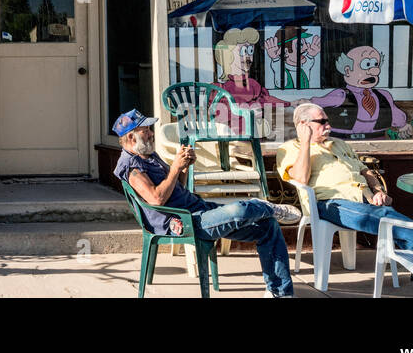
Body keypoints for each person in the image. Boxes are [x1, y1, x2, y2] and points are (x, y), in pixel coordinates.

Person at [113, 108, 302, 297]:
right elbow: (157, 198)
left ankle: (279, 292)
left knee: (267, 226)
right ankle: (265, 206)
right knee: (240, 210)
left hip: (198, 209)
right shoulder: (131, 167)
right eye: (146, 131)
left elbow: (176, 189)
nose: (151, 134)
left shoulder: (146, 155)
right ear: (131, 137)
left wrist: (184, 168)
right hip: (185, 222)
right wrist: (175, 168)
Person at [277, 101, 413, 258]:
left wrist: (378, 191)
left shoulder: (340, 144)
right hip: (328, 202)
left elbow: (365, 171)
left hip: (365, 197)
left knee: (386, 218)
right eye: (322, 122)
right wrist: (306, 142)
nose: (328, 126)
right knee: (380, 217)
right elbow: (301, 179)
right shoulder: (290, 148)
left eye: (328, 121)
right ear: (303, 124)